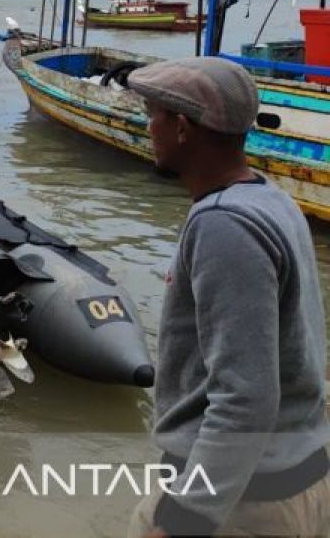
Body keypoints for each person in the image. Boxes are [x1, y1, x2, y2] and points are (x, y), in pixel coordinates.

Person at [124, 57, 330, 537]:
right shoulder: (271, 199)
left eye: (152, 115)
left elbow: (244, 397)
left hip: (243, 505)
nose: (146, 126)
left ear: (180, 128)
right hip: (295, 475)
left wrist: (184, 518)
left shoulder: (223, 226)